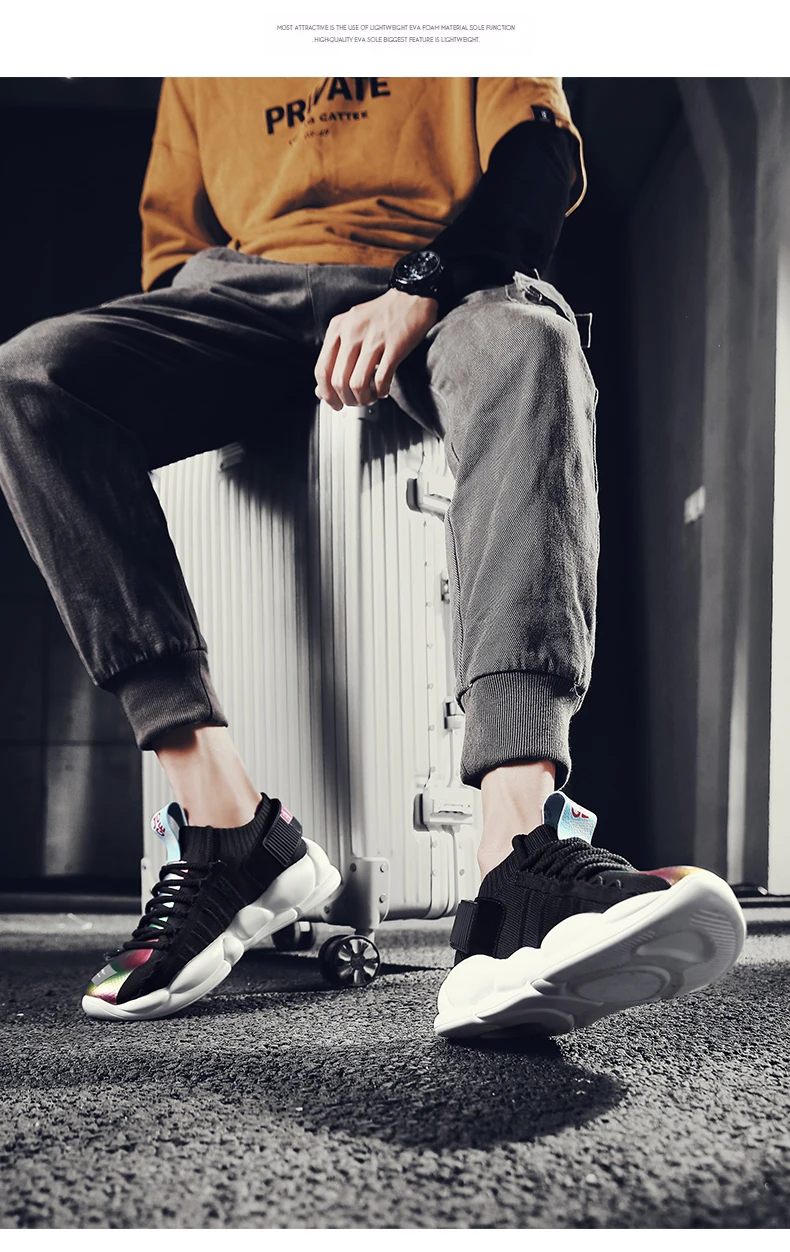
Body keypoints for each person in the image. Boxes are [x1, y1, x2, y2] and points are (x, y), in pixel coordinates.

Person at [0, 77, 745, 1032]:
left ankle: (515, 863)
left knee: (531, 343)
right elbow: (173, 249)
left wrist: (421, 284)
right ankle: (227, 827)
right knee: (32, 380)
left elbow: (540, 158)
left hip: (438, 281)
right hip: (240, 302)